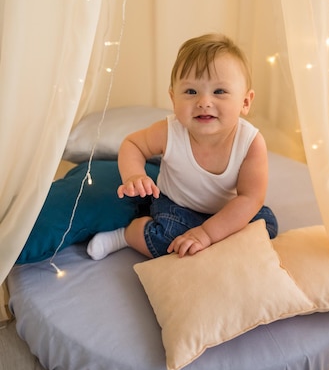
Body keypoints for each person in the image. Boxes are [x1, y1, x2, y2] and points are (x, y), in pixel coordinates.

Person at [87, 33, 278, 260]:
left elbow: (249, 198)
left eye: (219, 92)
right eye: (190, 92)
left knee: (267, 228)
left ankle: (209, 240)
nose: (204, 102)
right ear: (173, 98)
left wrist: (207, 233)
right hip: (178, 207)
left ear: (245, 102)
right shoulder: (169, 132)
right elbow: (133, 144)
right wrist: (134, 175)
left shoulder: (250, 143)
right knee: (167, 240)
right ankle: (127, 235)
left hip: (228, 210)